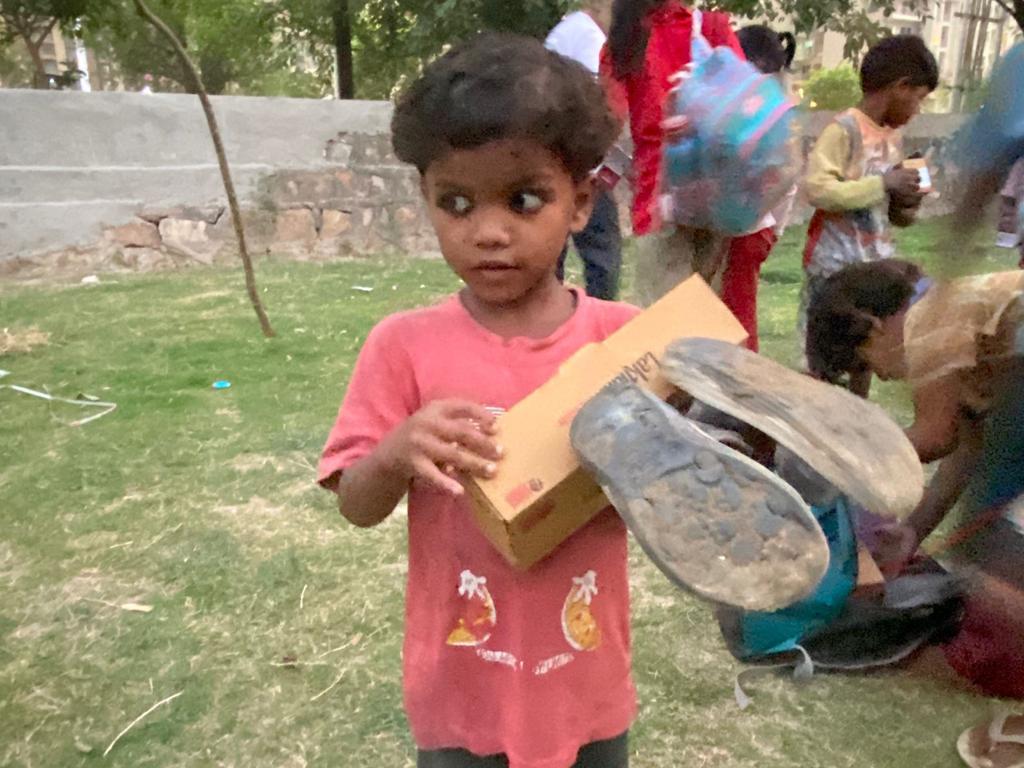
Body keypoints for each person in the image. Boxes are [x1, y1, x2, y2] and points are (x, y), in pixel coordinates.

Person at [318, 34, 638, 768]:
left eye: (524, 200)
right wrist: (397, 451)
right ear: (426, 201)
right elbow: (356, 505)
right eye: (456, 203)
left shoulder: (625, 346)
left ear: (580, 203)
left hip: (585, 678)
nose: (489, 232)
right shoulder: (403, 345)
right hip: (460, 687)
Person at [805, 259, 1024, 702]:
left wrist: (839, 462)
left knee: (996, 566)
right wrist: (911, 532)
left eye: (866, 364)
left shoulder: (930, 318)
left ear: (872, 326)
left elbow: (934, 437)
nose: (885, 377)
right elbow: (965, 451)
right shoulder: (957, 326)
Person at [800, 34, 937, 394]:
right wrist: (884, 183)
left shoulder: (892, 137)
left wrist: (908, 199)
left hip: (873, 271)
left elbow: (895, 215)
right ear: (900, 87)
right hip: (834, 266)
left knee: (867, 353)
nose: (918, 110)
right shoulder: (844, 129)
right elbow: (818, 189)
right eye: (919, 98)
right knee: (827, 357)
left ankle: (857, 416)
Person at [601, 0, 744, 306]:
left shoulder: (624, 41)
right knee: (706, 309)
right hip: (718, 192)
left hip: (659, 193)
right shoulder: (712, 28)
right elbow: (745, 100)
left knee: (662, 316)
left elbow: (610, 123)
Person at [719, 25, 798, 352]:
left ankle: (742, 372)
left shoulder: (763, 109)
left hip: (748, 228)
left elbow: (786, 173)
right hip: (758, 227)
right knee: (733, 307)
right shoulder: (772, 104)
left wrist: (746, 215)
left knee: (736, 315)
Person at [545, 0, 623, 300]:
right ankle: (600, 315)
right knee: (602, 252)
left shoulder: (569, 31)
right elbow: (599, 104)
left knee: (552, 248)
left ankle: (547, 310)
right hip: (579, 164)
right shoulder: (589, 37)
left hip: (559, 160)